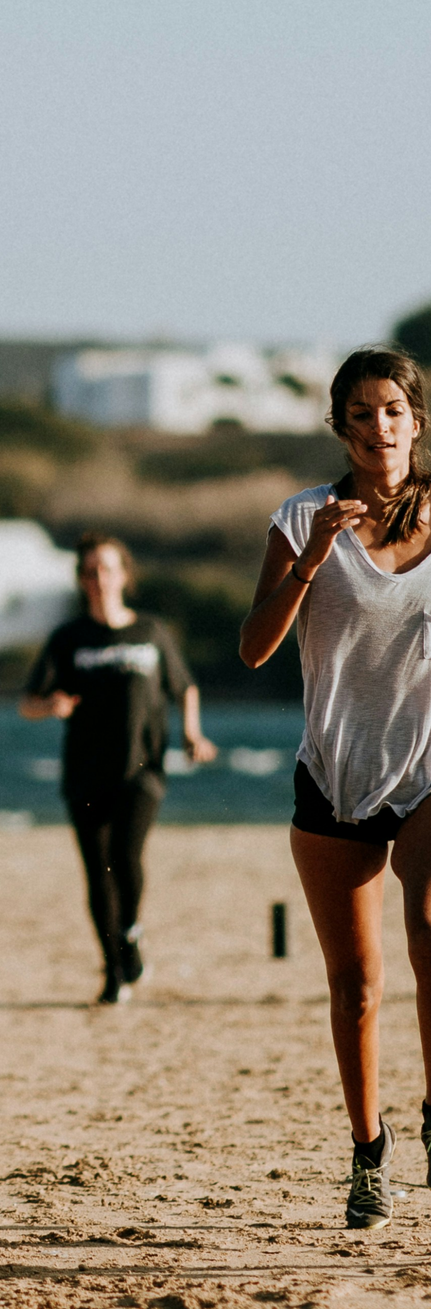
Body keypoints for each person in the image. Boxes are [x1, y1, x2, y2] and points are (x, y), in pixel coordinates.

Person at [238, 345, 431, 1230]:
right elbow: (254, 648)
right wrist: (312, 556)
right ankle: (369, 1149)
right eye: (360, 413)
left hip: (426, 765)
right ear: (341, 427)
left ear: (416, 421)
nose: (378, 427)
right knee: (356, 984)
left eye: (392, 409)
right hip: (336, 773)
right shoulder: (300, 517)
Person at [20, 534, 219, 1004]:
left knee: (126, 858)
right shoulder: (68, 638)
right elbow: (28, 702)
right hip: (85, 774)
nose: (99, 579)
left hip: (143, 770)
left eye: (107, 569)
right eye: (89, 571)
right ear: (80, 580)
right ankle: (112, 971)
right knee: (97, 873)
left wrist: (193, 733)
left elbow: (184, 686)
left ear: (125, 576)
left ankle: (129, 930)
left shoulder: (150, 632)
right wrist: (51, 704)